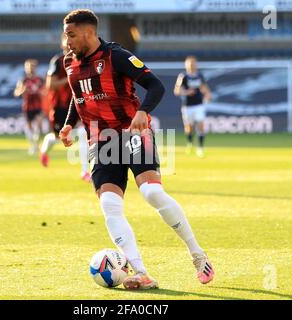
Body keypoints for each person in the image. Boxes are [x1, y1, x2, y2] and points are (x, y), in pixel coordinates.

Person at [58, 9, 214, 290]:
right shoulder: (70, 63)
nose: (66, 40)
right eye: (65, 34)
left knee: (152, 193)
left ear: (89, 33)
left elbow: (155, 86)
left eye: (70, 34)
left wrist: (143, 111)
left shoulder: (116, 56)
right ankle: (141, 272)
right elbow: (77, 96)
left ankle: (197, 254)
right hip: (101, 141)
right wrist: (69, 124)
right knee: (109, 204)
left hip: (132, 133)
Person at [40, 35, 91, 182]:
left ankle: (85, 171)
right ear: (62, 43)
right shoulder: (58, 61)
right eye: (67, 40)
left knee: (83, 133)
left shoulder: (82, 60)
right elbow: (51, 85)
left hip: (78, 105)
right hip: (60, 107)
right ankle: (44, 150)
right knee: (57, 138)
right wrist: (70, 78)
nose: (70, 44)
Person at [173, 56, 212, 158]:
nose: (192, 66)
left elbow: (204, 88)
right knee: (189, 128)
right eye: (190, 64)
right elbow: (176, 91)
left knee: (200, 125)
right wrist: (186, 92)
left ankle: (200, 148)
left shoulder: (199, 76)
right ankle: (189, 143)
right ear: (186, 65)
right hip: (187, 106)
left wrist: (208, 94)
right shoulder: (183, 76)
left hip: (199, 105)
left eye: (193, 63)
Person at [14, 59, 44, 155]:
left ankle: (37, 144)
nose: (30, 69)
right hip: (28, 107)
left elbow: (46, 92)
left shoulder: (40, 80)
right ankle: (33, 145)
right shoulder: (23, 80)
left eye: (32, 67)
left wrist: (40, 93)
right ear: (25, 68)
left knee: (39, 125)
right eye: (28, 67)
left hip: (38, 106)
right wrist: (22, 91)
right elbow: (16, 93)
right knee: (29, 128)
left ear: (36, 68)